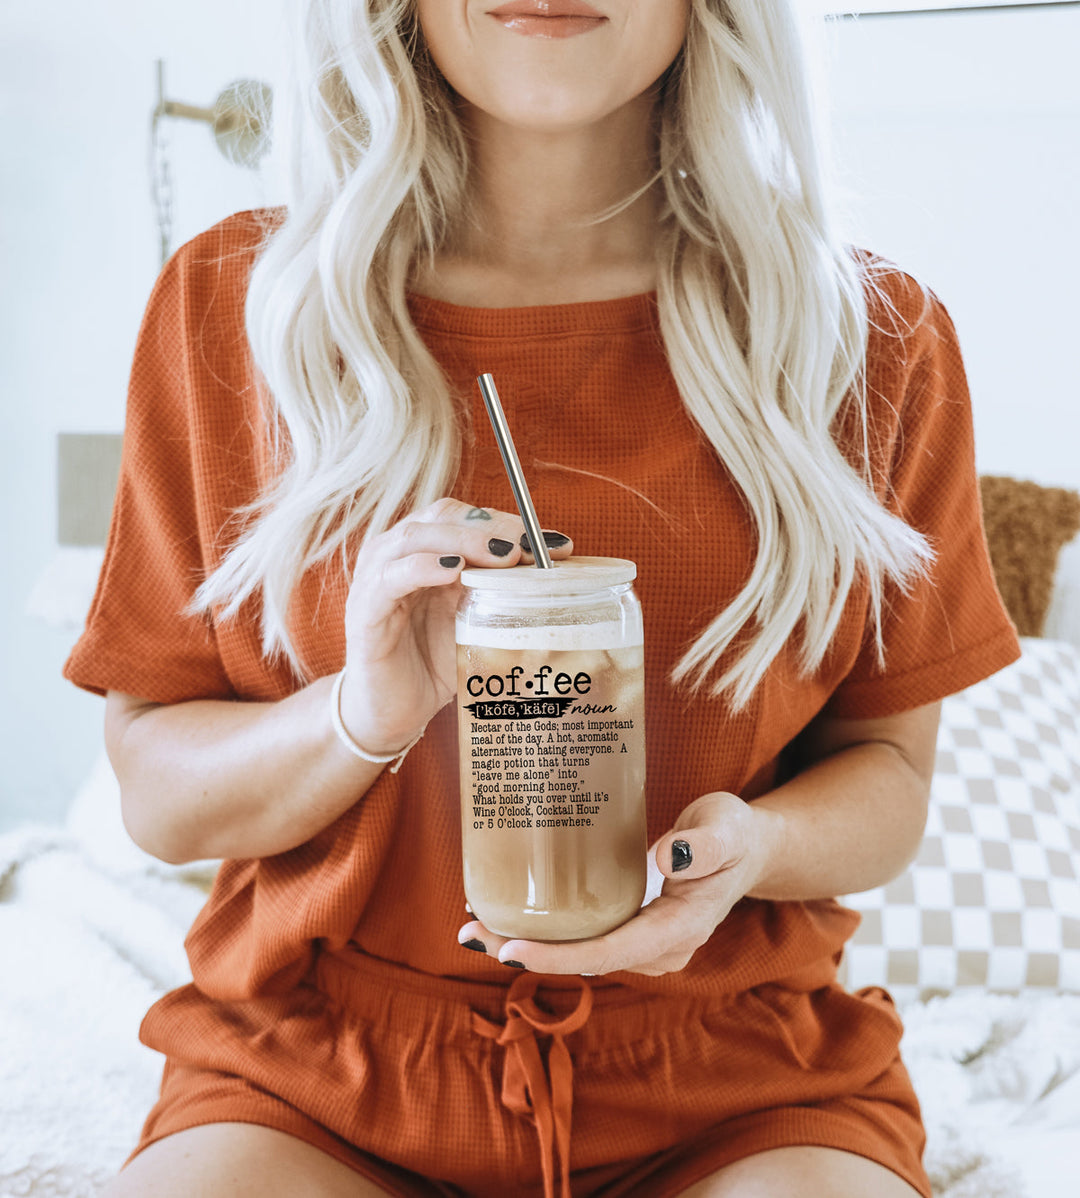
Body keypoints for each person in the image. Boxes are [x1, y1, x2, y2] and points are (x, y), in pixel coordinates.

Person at [65, 1, 1020, 1195]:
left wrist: (754, 846)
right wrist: (362, 713)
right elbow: (156, 792)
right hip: (313, 1077)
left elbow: (891, 776)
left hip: (735, 1081)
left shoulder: (867, 341)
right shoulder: (240, 309)